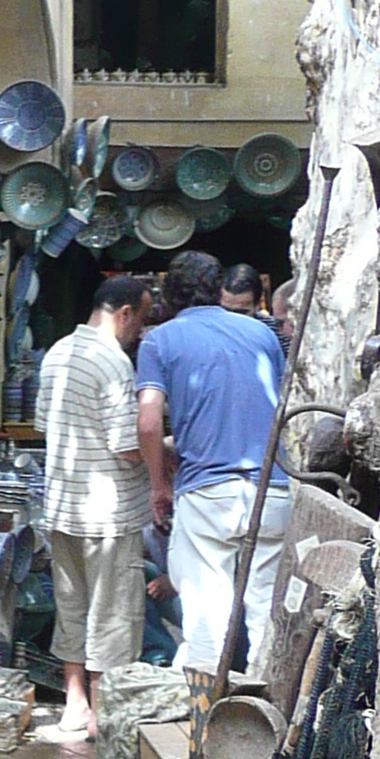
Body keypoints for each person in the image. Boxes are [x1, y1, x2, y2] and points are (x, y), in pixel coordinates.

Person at [136, 249, 290, 677]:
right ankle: (265, 716)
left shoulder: (159, 340)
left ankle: (203, 721)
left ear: (169, 296)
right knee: (265, 612)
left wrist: (158, 487)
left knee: (208, 614)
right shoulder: (262, 335)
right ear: (218, 287)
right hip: (272, 486)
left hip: (208, 491)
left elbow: (148, 422)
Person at [34, 274, 152, 739]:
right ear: (124, 314)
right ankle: (104, 717)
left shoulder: (58, 352)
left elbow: (45, 423)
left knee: (72, 608)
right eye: (140, 321)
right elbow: (127, 446)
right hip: (108, 510)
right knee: (113, 612)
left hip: (63, 503)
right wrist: (164, 449)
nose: (140, 332)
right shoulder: (114, 363)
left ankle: (73, 705)